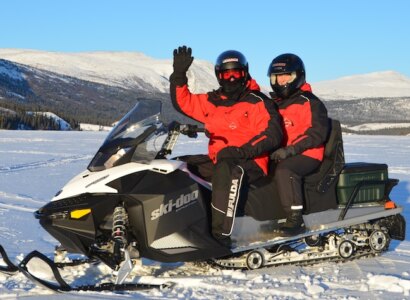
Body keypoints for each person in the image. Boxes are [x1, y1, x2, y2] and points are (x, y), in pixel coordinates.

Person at [169, 46, 283, 246]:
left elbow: (272, 134)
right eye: (226, 73)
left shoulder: (257, 102)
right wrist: (179, 75)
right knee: (178, 167)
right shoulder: (213, 101)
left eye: (236, 73)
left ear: (244, 73)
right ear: (219, 76)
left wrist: (242, 151)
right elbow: (184, 103)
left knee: (226, 169)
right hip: (221, 158)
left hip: (250, 161)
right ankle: (178, 225)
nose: (231, 78)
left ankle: (220, 236)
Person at [267, 53, 329, 236]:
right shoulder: (276, 104)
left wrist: (291, 149)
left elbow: (317, 133)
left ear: (297, 76)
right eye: (277, 77)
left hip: (308, 154)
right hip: (282, 152)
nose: (281, 81)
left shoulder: (310, 102)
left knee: (286, 170)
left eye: (286, 76)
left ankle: (295, 218)